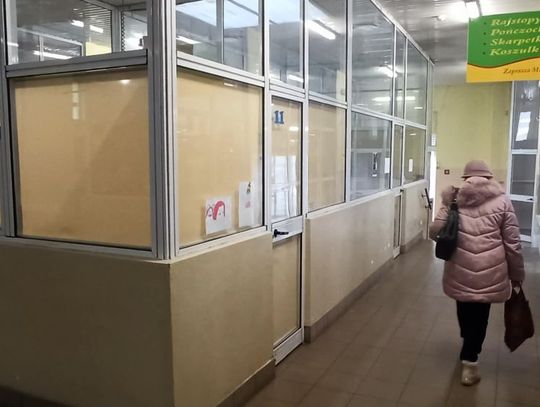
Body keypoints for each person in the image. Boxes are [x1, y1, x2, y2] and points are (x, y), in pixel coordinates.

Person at [429, 160, 525, 386]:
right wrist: (517, 274)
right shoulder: (503, 201)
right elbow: (512, 243)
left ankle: (467, 342)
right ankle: (470, 362)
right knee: (481, 316)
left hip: (459, 266)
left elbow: (435, 230)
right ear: (489, 177)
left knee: (464, 307)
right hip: (491, 270)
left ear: (465, 178)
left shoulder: (453, 198)